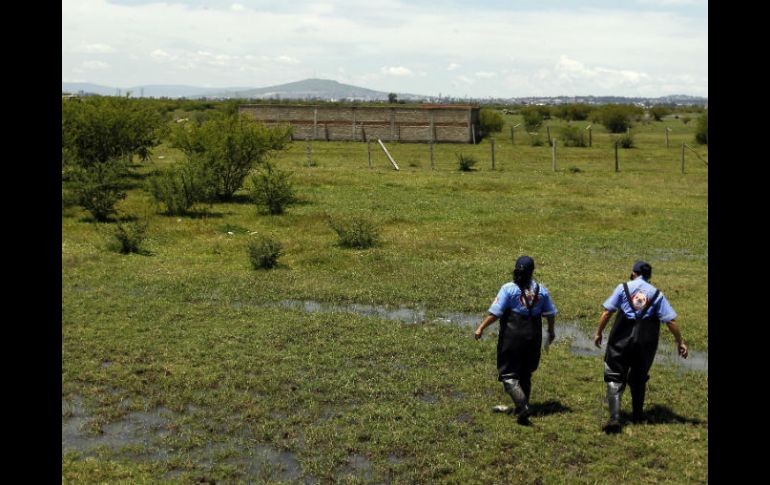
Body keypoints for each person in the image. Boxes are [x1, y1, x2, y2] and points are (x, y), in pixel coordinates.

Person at [593, 261, 688, 432]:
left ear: (633, 273)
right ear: (649, 276)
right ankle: (637, 416)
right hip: (646, 342)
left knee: (615, 375)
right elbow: (670, 320)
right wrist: (680, 342)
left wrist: (599, 332)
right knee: (639, 377)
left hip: (621, 338)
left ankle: (614, 418)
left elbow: (608, 312)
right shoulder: (657, 294)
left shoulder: (623, 288)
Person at [474, 256, 557, 424]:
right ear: (532, 271)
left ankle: (522, 406)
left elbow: (495, 313)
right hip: (534, 336)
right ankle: (523, 406)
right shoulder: (542, 290)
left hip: (513, 336)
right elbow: (550, 313)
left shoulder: (508, 289)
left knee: (508, 373)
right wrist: (551, 331)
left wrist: (481, 327)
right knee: (525, 373)